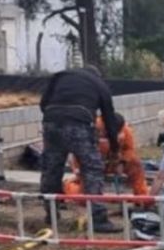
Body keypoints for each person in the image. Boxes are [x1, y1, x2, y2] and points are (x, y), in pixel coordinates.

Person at [39, 65, 122, 232]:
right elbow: (109, 118)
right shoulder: (100, 85)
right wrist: (114, 146)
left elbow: (43, 103)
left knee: (51, 168)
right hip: (79, 124)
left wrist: (55, 118)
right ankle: (98, 219)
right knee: (92, 169)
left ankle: (51, 214)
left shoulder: (60, 76)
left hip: (51, 122)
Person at [69, 113, 148, 196]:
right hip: (92, 165)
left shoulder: (125, 130)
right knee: (84, 197)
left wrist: (123, 162)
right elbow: (79, 151)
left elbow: (129, 149)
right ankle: (69, 186)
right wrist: (78, 168)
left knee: (135, 164)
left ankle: (142, 196)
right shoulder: (91, 128)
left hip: (114, 162)